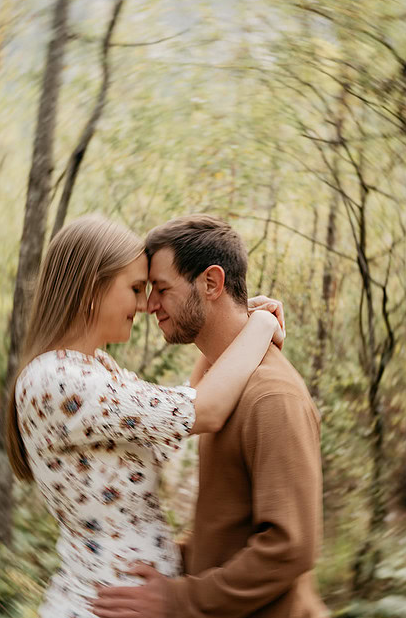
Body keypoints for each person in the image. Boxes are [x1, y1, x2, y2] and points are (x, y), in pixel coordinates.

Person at [5, 214, 285, 618]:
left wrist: (236, 326)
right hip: (100, 606)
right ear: (91, 288)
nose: (144, 305)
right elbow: (204, 410)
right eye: (136, 288)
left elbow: (184, 406)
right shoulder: (60, 381)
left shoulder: (93, 368)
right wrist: (259, 324)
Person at [92, 214, 327, 618]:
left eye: (162, 289)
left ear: (212, 283)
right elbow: (229, 524)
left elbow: (292, 547)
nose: (149, 306)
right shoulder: (224, 384)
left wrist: (181, 599)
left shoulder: (272, 398)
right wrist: (172, 563)